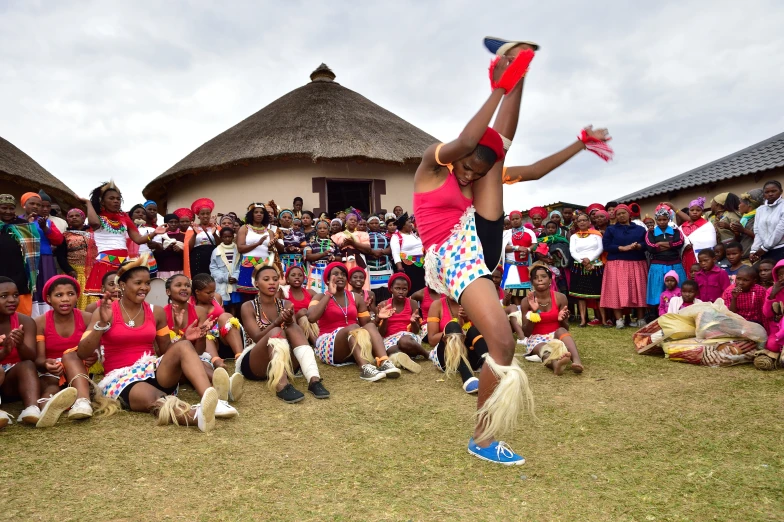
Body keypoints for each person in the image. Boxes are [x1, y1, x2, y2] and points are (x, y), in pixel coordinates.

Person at [413, 45, 537, 464]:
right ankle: (483, 439)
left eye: (475, 174)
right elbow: (467, 140)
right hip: (450, 254)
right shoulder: (432, 163)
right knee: (502, 344)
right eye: (465, 169)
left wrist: (518, 76)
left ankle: (522, 66)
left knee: (499, 147)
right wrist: (496, 88)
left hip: (478, 241)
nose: (468, 175)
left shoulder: (476, 168)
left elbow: (489, 145)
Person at [79, 257, 234, 432]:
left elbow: (166, 351)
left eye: (147, 283)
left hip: (153, 369)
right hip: (120, 378)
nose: (144, 288)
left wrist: (186, 339)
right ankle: (195, 417)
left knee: (183, 347)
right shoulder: (105, 311)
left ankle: (213, 400)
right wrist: (102, 325)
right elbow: (83, 353)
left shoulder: (156, 311)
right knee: (155, 398)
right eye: (138, 283)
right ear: (122, 284)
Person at [238, 264, 329, 402]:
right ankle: (282, 386)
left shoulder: (286, 304)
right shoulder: (248, 306)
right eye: (266, 279)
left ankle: (314, 379)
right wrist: (277, 322)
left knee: (293, 327)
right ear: (256, 283)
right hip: (256, 362)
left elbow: (294, 334)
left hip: (285, 358)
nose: (272, 283)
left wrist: (288, 322)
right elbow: (256, 337)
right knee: (276, 330)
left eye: (275, 279)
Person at [0, 276, 78, 427]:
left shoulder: (25, 321)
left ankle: (31, 409)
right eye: (4, 296)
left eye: (15, 295)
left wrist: (20, 344)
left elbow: (31, 357)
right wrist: (4, 352)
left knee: (27, 365)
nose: (12, 300)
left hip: (12, 383)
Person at [306, 262, 401, 381]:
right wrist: (329, 294)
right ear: (327, 279)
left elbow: (366, 324)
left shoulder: (356, 297)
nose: (340, 276)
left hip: (353, 343)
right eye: (336, 274)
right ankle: (365, 368)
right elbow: (311, 318)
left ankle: (384, 361)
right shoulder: (319, 297)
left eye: (343, 274)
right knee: (353, 327)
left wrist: (378, 318)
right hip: (329, 345)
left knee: (368, 327)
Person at [83, 182, 166, 294]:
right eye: (111, 198)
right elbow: (93, 223)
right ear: (102, 201)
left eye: (118, 198)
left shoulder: (124, 218)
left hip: (124, 264)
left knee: (124, 297)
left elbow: (139, 239)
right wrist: (88, 203)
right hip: (105, 262)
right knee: (105, 298)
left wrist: (155, 233)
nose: (116, 201)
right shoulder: (98, 218)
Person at [34, 276, 97, 420]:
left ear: (77, 297)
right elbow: (39, 360)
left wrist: (94, 356)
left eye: (70, 294)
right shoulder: (40, 322)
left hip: (77, 369)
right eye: (58, 295)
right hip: (52, 374)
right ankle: (46, 408)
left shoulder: (87, 318)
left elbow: (96, 348)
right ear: (48, 299)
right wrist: (46, 364)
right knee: (50, 386)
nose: (65, 299)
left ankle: (82, 402)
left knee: (70, 355)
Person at [517, 265, 583, 375]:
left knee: (561, 331)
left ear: (550, 279)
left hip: (556, 335)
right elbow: (527, 333)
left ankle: (577, 362)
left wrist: (562, 319)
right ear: (532, 282)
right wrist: (535, 312)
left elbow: (565, 328)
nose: (540, 279)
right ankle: (556, 364)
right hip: (536, 338)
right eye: (535, 277)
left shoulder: (561, 298)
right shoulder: (526, 301)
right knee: (544, 349)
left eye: (543, 276)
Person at [426, 294, 488, 394]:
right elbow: (432, 340)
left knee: (473, 330)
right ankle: (467, 377)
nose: (452, 290)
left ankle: (490, 370)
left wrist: (468, 320)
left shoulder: (473, 304)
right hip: (446, 358)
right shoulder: (437, 305)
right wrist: (457, 328)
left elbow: (485, 333)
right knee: (452, 326)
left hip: (471, 358)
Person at [600, 204, 648, 328]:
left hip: (637, 262)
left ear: (629, 214)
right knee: (617, 291)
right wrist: (622, 248)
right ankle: (619, 320)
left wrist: (639, 246)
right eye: (618, 214)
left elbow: (646, 244)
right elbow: (606, 246)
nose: (621, 216)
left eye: (623, 213)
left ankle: (640, 318)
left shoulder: (640, 229)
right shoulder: (611, 230)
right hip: (616, 263)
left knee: (639, 291)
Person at [20, 192, 64, 317]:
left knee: (46, 287)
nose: (35, 207)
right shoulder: (18, 220)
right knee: (31, 288)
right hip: (26, 259)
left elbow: (58, 240)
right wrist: (26, 224)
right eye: (32, 203)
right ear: (24, 205)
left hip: (45, 260)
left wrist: (45, 228)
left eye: (38, 205)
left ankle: (48, 317)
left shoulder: (47, 222)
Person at [376, 273, 427, 371]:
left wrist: (413, 322)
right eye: (397, 288)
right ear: (391, 289)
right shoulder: (384, 304)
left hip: (408, 338)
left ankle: (426, 354)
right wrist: (385, 319)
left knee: (404, 341)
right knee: (391, 350)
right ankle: (405, 359)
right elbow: (381, 333)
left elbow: (416, 331)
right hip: (390, 339)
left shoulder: (412, 303)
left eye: (404, 289)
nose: (401, 292)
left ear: (408, 290)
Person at [0, 195, 40, 317]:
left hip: (20, 276)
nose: (8, 211)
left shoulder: (24, 226)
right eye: (3, 208)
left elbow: (33, 247)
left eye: (11, 208)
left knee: (20, 316)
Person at [192, 273, 245, 361]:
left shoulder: (217, 297)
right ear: (197, 292)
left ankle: (240, 357)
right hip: (204, 342)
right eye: (208, 292)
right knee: (205, 330)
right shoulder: (190, 304)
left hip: (222, 337)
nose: (212, 295)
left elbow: (223, 321)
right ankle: (216, 361)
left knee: (225, 316)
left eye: (213, 291)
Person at [645, 207, 686, 315]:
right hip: (658, 266)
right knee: (657, 290)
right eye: (659, 220)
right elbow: (651, 247)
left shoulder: (676, 231)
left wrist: (660, 244)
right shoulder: (651, 232)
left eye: (664, 219)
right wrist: (670, 245)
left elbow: (680, 243)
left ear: (669, 219)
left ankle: (679, 312)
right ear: (656, 220)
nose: (662, 222)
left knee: (678, 289)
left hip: (675, 265)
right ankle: (657, 314)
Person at [568, 212, 605, 326]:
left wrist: (589, 259)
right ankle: (583, 320)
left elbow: (600, 248)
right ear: (576, 223)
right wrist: (582, 261)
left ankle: (603, 319)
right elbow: (573, 251)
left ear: (589, 222)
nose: (582, 222)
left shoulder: (597, 234)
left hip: (595, 265)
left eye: (584, 220)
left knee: (598, 294)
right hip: (579, 266)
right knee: (580, 294)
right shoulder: (574, 236)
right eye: (579, 221)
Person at [664, 197, 716, 274]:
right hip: (686, 255)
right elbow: (679, 239)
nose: (695, 212)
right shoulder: (683, 226)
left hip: (700, 257)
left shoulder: (707, 225)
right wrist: (685, 244)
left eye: (698, 210)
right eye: (692, 210)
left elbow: (709, 241)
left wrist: (694, 243)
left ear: (702, 212)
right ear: (688, 211)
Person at [236, 203, 275, 302]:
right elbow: (240, 248)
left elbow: (271, 250)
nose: (259, 214)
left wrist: (271, 247)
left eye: (262, 212)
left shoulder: (269, 232)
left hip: (264, 265)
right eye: (256, 212)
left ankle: (262, 317)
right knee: (247, 297)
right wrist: (257, 243)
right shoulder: (244, 228)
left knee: (264, 294)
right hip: (248, 265)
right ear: (251, 214)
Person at [57, 209, 94, 310]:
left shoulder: (93, 233)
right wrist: (70, 271)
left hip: (93, 273)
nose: (74, 218)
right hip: (75, 274)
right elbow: (60, 256)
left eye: (77, 216)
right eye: (71, 216)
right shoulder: (65, 236)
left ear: (83, 218)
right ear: (67, 220)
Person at [501, 210, 537, 304]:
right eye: (512, 219)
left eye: (517, 218)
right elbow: (502, 248)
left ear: (521, 219)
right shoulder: (506, 233)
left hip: (526, 267)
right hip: (511, 266)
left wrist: (528, 249)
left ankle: (525, 312)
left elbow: (535, 245)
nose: (515, 221)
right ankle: (517, 311)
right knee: (511, 291)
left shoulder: (529, 232)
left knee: (527, 293)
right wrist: (517, 248)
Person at [331, 211, 372, 288]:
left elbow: (368, 249)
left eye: (355, 220)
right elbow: (333, 250)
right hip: (344, 260)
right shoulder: (337, 235)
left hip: (358, 260)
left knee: (359, 279)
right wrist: (343, 245)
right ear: (346, 221)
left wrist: (353, 243)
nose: (353, 221)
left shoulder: (362, 234)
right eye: (351, 219)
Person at [280, 265, 318, 345]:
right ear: (287, 279)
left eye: (300, 275)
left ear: (304, 279)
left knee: (308, 317)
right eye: (293, 275)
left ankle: (316, 339)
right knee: (303, 318)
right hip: (292, 326)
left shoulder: (310, 292)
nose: (297, 277)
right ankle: (315, 342)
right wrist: (298, 315)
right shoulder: (284, 293)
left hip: (311, 324)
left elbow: (322, 303)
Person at [390, 213, 425, 294]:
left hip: (420, 264)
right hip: (408, 266)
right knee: (412, 289)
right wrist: (400, 269)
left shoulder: (413, 234)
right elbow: (395, 253)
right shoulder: (396, 237)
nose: (411, 224)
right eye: (409, 222)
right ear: (403, 226)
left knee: (422, 287)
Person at [750, 181, 784, 264]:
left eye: (774, 191)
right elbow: (757, 231)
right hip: (764, 252)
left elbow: (780, 230)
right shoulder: (760, 210)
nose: (770, 194)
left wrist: (764, 248)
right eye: (767, 192)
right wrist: (754, 250)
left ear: (781, 191)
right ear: (764, 194)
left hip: (781, 249)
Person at [209, 227, 241, 314]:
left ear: (233, 236)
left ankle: (234, 321)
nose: (227, 239)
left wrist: (235, 276)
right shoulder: (216, 251)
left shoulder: (238, 250)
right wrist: (225, 277)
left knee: (234, 305)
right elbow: (213, 267)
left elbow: (240, 265)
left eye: (229, 236)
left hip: (235, 283)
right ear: (221, 237)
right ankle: (224, 323)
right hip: (222, 283)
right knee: (223, 305)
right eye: (224, 237)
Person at [303, 220, 340, 294]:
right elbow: (308, 256)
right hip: (315, 271)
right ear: (316, 230)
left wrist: (334, 258)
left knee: (329, 292)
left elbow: (340, 258)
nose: (322, 230)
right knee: (313, 292)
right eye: (320, 228)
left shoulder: (333, 243)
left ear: (328, 230)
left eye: (324, 228)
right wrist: (323, 254)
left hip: (329, 271)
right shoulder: (311, 243)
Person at [188, 198, 219, 278]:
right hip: (198, 259)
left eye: (208, 213)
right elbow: (189, 247)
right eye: (202, 214)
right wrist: (195, 234)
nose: (205, 216)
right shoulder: (192, 228)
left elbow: (220, 245)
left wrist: (215, 234)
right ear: (198, 216)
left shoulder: (216, 227)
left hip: (214, 258)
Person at [365, 216, 393, 303]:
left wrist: (381, 252)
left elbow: (391, 247)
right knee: (372, 293)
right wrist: (372, 252)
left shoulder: (385, 236)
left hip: (385, 268)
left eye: (376, 223)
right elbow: (362, 248)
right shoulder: (364, 236)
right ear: (368, 225)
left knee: (386, 292)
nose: (374, 225)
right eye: (372, 223)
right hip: (370, 267)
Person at [152, 213, 186, 280]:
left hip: (178, 268)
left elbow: (187, 253)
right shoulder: (160, 236)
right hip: (164, 268)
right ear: (165, 223)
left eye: (176, 222)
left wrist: (180, 251)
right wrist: (167, 248)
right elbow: (155, 253)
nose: (174, 224)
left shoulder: (183, 236)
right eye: (171, 222)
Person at [732, 189, 763, 259]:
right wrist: (736, 232)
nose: (738, 205)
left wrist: (743, 230)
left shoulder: (758, 217)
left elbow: (762, 238)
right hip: (744, 256)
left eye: (740, 203)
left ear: (749, 205)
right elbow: (740, 239)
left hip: (754, 257)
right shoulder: (745, 218)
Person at [762, 260, 784, 353]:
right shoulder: (772, 290)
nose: (782, 277)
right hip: (777, 328)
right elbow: (767, 314)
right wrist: (773, 295)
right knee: (772, 346)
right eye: (780, 275)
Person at [277, 209, 306, 274]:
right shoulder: (276, 233)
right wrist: (286, 249)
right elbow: (274, 248)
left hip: (298, 262)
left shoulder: (299, 234)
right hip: (282, 263)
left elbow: (305, 247)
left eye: (289, 218)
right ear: (279, 220)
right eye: (284, 217)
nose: (287, 219)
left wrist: (298, 249)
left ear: (292, 221)